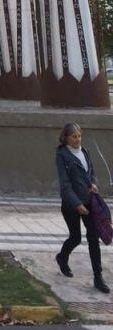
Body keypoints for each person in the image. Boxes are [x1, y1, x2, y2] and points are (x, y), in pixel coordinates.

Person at [55, 122, 109, 292]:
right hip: (71, 204)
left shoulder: (85, 152)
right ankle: (62, 257)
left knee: (93, 238)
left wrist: (93, 183)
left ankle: (98, 277)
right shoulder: (62, 155)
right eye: (74, 136)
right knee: (76, 237)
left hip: (89, 202)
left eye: (79, 136)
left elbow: (91, 172)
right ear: (66, 138)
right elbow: (65, 184)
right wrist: (77, 203)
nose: (78, 140)